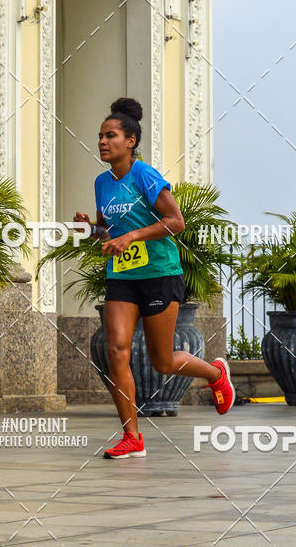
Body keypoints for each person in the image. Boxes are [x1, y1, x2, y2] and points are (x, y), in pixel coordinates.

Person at [74, 96, 235, 460]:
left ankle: (214, 374)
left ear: (130, 141)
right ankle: (132, 437)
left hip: (160, 273)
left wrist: (133, 236)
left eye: (110, 135)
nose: (102, 141)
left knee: (162, 360)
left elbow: (175, 222)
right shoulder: (102, 183)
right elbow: (109, 233)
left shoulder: (144, 175)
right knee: (117, 351)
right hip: (123, 276)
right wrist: (90, 230)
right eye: (100, 135)